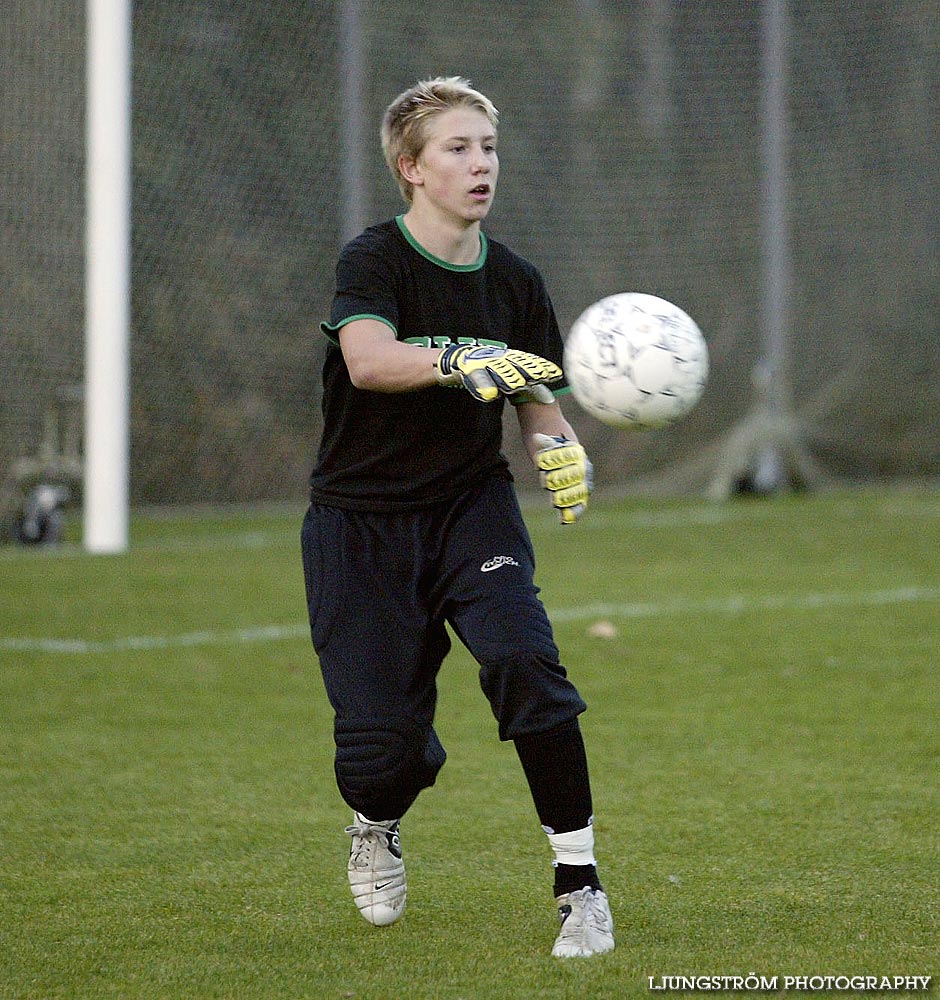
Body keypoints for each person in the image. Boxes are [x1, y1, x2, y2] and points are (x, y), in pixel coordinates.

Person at [301, 76, 614, 959]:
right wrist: (453, 354)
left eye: (488, 147)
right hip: (358, 525)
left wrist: (559, 443)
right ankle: (376, 817)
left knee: (525, 660)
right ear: (411, 168)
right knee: (380, 750)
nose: (481, 165)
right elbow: (368, 360)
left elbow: (533, 390)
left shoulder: (515, 280)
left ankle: (580, 884)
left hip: (471, 508)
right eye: (457, 149)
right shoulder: (375, 260)